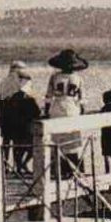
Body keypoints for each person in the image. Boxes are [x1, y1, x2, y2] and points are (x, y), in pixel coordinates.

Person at [44, 48, 89, 178]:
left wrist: (47, 111)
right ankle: (74, 169)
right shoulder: (77, 78)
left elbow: (48, 96)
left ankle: (59, 170)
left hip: (57, 108)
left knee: (57, 141)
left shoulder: (55, 77)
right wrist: (82, 112)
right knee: (73, 141)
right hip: (72, 110)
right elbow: (82, 99)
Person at [0, 71, 41, 177]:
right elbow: (37, 113)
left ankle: (19, 166)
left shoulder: (11, 98)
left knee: (17, 147)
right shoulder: (29, 99)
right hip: (25, 130)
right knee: (34, 144)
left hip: (13, 129)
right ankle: (23, 164)